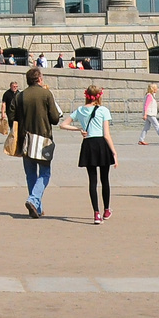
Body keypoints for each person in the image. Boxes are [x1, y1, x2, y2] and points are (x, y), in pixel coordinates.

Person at [59, 83, 117, 224]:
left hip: (88, 144)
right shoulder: (103, 110)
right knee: (105, 179)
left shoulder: (80, 110)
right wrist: (114, 152)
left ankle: (96, 213)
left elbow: (62, 124)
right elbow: (107, 134)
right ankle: (106, 209)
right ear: (98, 97)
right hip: (101, 144)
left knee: (92, 180)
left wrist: (78, 129)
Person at [14, 66, 62, 219]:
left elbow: (12, 116)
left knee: (30, 173)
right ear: (39, 79)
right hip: (43, 139)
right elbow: (55, 118)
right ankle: (33, 199)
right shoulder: (46, 94)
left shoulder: (20, 96)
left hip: (25, 139)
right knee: (45, 173)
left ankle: (37, 207)